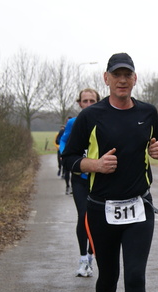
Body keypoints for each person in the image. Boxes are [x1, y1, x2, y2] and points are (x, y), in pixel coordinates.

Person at [62, 53, 158, 292]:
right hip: (101, 210)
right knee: (109, 278)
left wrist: (157, 149)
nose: (122, 80)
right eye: (116, 75)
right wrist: (95, 165)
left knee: (135, 276)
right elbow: (69, 158)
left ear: (135, 79)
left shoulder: (148, 112)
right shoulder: (91, 116)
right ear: (106, 78)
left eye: (128, 75)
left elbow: (156, 142)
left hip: (139, 208)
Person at [59, 88, 101, 277]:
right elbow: (64, 142)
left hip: (99, 179)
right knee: (83, 215)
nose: (89, 104)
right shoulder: (73, 123)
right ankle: (83, 258)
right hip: (80, 178)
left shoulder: (104, 122)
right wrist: (64, 154)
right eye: (85, 101)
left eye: (93, 101)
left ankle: (91, 255)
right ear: (79, 104)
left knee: (97, 220)